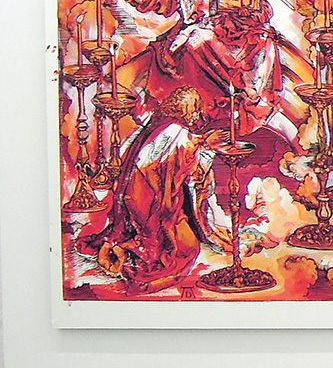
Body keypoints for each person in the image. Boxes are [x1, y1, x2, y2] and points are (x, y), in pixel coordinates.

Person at [77, 86, 233, 294]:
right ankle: (130, 253)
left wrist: (201, 143)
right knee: (185, 251)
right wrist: (206, 144)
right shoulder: (177, 131)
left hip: (134, 196)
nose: (198, 117)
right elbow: (188, 163)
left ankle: (122, 247)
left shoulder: (157, 124)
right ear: (189, 110)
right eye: (196, 111)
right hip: (149, 202)